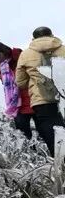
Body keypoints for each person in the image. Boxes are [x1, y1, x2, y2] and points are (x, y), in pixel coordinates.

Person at [16, 26, 65, 156]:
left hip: (42, 101)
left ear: (33, 39)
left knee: (51, 133)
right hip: (63, 97)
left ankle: (60, 164)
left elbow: (20, 82)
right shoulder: (63, 49)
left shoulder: (25, 54)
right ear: (52, 35)